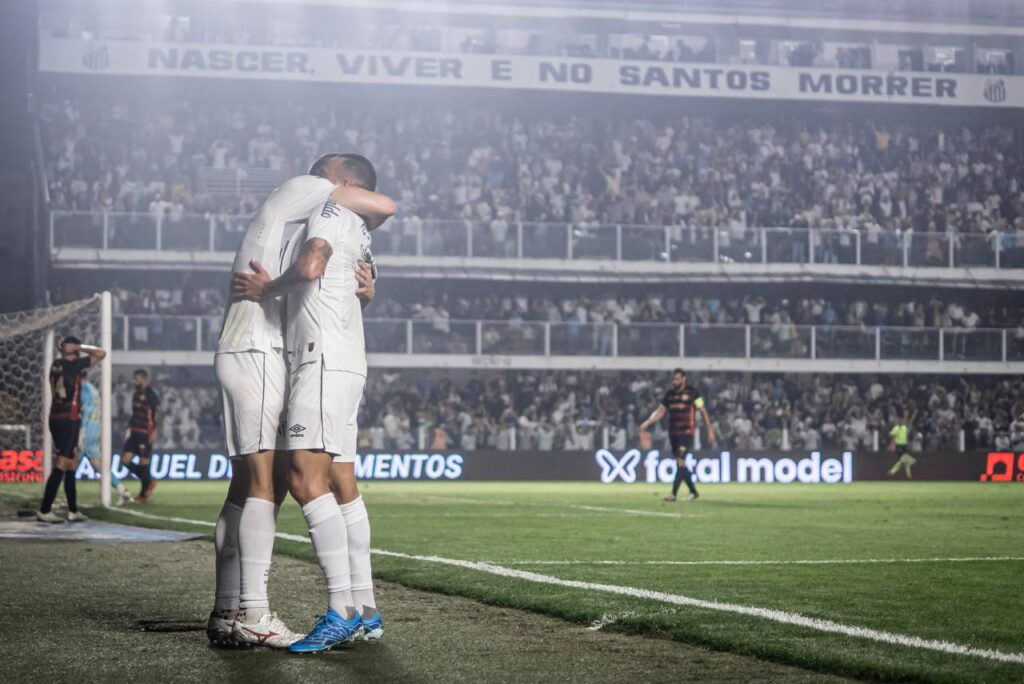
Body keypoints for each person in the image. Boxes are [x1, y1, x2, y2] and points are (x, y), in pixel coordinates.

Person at [208, 153, 394, 649]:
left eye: (325, 172)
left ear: (342, 180)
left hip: (267, 350)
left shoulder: (319, 209)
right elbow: (377, 206)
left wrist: (363, 290)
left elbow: (353, 236)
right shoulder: (314, 197)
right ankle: (257, 612)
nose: (316, 174)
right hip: (261, 350)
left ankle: (233, 610)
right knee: (274, 481)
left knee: (252, 482)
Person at [36, 336, 107, 523]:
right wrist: (81, 347)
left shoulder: (56, 365)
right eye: (70, 344)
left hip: (60, 417)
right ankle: (44, 510)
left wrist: (76, 347)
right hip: (67, 419)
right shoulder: (75, 364)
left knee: (71, 464)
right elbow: (101, 353)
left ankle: (73, 510)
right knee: (62, 463)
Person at [638, 368, 716, 502]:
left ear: (684, 379)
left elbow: (702, 411)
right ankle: (693, 491)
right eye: (674, 379)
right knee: (680, 464)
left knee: (680, 459)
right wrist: (648, 422)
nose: (675, 381)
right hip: (673, 432)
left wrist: (710, 430)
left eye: (677, 379)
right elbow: (661, 411)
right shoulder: (670, 394)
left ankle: (673, 494)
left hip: (687, 432)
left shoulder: (693, 393)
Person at [79, 380, 131, 506]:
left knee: (66, 465)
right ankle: (122, 490)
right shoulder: (94, 391)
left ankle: (53, 499)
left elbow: (85, 412)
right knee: (99, 465)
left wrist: (81, 433)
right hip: (95, 430)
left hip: (85, 432)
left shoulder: (83, 390)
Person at [120, 369, 160, 503]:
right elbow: (135, 413)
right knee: (125, 460)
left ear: (144, 378)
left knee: (144, 463)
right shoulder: (136, 393)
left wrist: (155, 431)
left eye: (136, 379)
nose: (134, 381)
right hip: (134, 432)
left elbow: (159, 413)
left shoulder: (151, 394)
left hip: (145, 433)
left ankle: (143, 495)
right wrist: (128, 428)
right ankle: (148, 482)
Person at [887, 412, 917, 479]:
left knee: (904, 460)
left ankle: (908, 475)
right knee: (902, 459)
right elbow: (891, 434)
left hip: (904, 445)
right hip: (899, 446)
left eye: (902, 421)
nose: (901, 422)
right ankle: (893, 471)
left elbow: (908, 431)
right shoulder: (896, 428)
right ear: (898, 422)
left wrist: (911, 418)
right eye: (899, 421)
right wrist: (891, 435)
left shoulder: (904, 428)